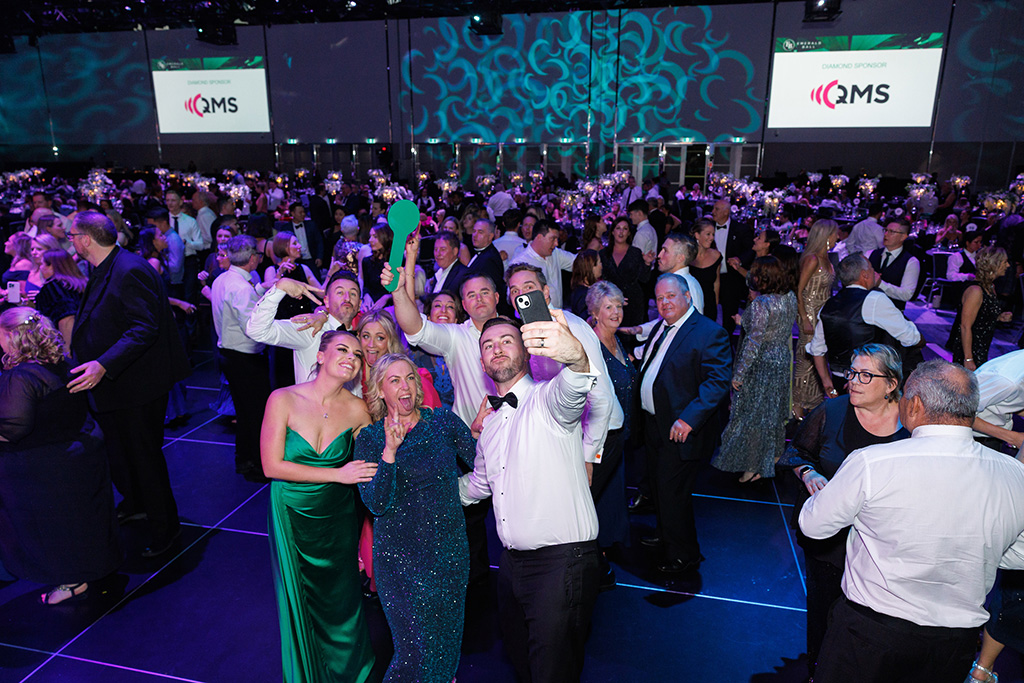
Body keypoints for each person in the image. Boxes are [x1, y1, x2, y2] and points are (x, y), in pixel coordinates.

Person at [799, 360, 1024, 683]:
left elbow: (814, 525)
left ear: (915, 405)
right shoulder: (1014, 474)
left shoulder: (874, 463)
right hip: (954, 645)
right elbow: (1019, 555)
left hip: (871, 633)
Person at [459, 313, 601, 682]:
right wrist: (426, 490)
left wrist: (576, 356)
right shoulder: (490, 425)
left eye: (506, 341)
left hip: (561, 563)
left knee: (552, 674)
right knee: (523, 666)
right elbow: (477, 485)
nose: (496, 349)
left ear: (526, 352)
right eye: (488, 345)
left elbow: (574, 387)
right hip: (510, 566)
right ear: (482, 362)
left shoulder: (547, 400)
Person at [779, 344, 908, 676]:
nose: (853, 381)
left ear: (891, 384)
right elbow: (796, 453)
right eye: (852, 372)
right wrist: (808, 473)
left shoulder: (911, 423)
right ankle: (818, 669)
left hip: (882, 540)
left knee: (870, 618)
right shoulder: (832, 411)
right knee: (824, 608)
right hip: (831, 537)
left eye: (865, 375)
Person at [67, 211, 191, 557]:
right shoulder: (107, 266)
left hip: (137, 386)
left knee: (143, 457)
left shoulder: (130, 269)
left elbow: (144, 328)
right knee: (123, 454)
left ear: (86, 239)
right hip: (118, 386)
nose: (70, 241)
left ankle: (165, 528)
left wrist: (103, 364)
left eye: (73, 235)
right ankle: (137, 504)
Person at [261, 330, 378, 683]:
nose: (351, 358)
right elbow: (271, 466)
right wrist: (338, 475)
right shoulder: (282, 399)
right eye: (342, 349)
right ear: (320, 356)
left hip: (337, 516)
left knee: (341, 595)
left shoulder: (358, 409)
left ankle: (351, 671)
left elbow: (375, 463)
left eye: (357, 355)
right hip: (290, 512)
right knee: (299, 596)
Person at [355, 353, 476, 682]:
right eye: (394, 380)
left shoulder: (443, 422)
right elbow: (376, 503)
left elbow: (483, 464)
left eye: (409, 377)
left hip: (449, 554)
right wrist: (390, 453)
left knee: (445, 651)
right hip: (400, 562)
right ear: (380, 391)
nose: (405, 386)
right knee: (414, 655)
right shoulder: (369, 439)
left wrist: (487, 431)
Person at [0, 308, 120, 605]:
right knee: (78, 523)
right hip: (74, 453)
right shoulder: (61, 361)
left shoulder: (22, 376)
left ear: (13, 337)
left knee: (53, 529)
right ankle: (84, 572)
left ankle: (72, 581)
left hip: (43, 467)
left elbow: (12, 429)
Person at [636, 274, 732, 573]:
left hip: (680, 429)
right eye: (659, 298)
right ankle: (665, 535)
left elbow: (717, 382)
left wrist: (689, 418)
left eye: (671, 296)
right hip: (655, 423)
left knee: (672, 491)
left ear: (687, 297)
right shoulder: (663, 327)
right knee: (658, 486)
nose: (664, 303)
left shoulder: (709, 332)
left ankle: (684, 555)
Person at [712, 256, 797, 482]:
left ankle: (752, 466)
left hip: (761, 364)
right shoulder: (789, 297)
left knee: (753, 415)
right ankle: (774, 457)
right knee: (773, 412)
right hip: (781, 359)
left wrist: (739, 374)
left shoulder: (762, 303)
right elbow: (775, 328)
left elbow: (754, 343)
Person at [809, 253, 922, 397]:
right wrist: (921, 340)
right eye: (872, 269)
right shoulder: (874, 299)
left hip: (840, 379)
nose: (875, 273)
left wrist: (827, 383)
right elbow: (910, 338)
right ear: (865, 275)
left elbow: (817, 349)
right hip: (868, 379)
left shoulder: (829, 304)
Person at [212, 235, 271, 482]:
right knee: (255, 414)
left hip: (229, 354)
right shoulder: (241, 287)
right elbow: (253, 328)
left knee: (245, 412)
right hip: (244, 358)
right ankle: (256, 465)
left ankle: (244, 459)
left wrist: (261, 289)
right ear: (252, 259)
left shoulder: (223, 279)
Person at [587, 281, 637, 553]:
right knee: (601, 494)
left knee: (614, 491)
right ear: (595, 312)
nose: (616, 312)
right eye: (608, 307)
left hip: (619, 434)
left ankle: (609, 543)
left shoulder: (617, 339)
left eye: (618, 306)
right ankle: (595, 548)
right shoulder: (592, 345)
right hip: (600, 436)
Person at [246, 270, 362, 385]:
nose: (347, 298)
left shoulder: (364, 336)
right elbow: (257, 331)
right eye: (340, 292)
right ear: (326, 301)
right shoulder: (311, 328)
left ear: (359, 304)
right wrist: (280, 288)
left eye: (353, 294)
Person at [793, 220, 838, 418]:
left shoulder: (826, 258)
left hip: (822, 313)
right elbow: (798, 290)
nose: (838, 237)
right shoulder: (812, 259)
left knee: (817, 359)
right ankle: (797, 406)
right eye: (835, 234)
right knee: (806, 361)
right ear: (826, 236)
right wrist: (804, 318)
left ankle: (813, 403)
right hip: (810, 313)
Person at [946, 246, 1011, 369]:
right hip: (970, 351)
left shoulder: (990, 287)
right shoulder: (975, 291)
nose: (1008, 265)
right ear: (994, 264)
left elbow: (981, 316)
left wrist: (998, 317)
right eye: (1005, 262)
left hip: (981, 348)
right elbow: (965, 326)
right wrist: (968, 358)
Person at [408, 291, 463, 411]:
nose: (443, 310)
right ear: (428, 317)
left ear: (456, 319)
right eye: (437, 305)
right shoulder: (414, 352)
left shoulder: (464, 349)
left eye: (450, 307)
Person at [507, 219, 576, 309]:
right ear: (539, 237)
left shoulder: (555, 253)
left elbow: (578, 263)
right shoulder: (520, 262)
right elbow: (511, 296)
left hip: (558, 312)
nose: (556, 243)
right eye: (553, 239)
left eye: (557, 239)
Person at [600, 216, 651, 328]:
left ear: (629, 233)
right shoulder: (603, 254)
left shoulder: (635, 253)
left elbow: (644, 279)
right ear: (613, 231)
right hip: (611, 301)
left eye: (625, 228)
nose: (621, 232)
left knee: (631, 335)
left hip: (633, 302)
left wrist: (647, 263)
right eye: (618, 228)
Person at [713, 199, 754, 335]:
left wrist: (739, 260)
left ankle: (727, 341)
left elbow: (750, 250)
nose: (713, 212)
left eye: (716, 209)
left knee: (729, 313)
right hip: (710, 277)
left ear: (726, 212)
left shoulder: (741, 229)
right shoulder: (707, 227)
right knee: (708, 311)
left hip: (730, 278)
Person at [971, 349, 1024, 451]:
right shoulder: (1007, 381)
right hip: (975, 439)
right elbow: (959, 413)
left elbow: (1008, 402)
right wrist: (1014, 438)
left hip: (994, 436)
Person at [34, 249, 87, 350]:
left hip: (69, 345)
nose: (40, 268)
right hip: (88, 340)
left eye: (42, 264)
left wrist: (67, 349)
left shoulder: (54, 287)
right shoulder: (81, 284)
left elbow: (66, 318)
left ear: (52, 266)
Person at [868, 218, 921, 310]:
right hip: (867, 308)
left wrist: (881, 284)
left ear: (903, 237)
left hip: (892, 312)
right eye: (885, 230)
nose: (886, 234)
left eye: (891, 232)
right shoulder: (870, 254)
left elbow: (907, 294)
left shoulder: (911, 262)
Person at [689, 218, 722, 323]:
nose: (711, 238)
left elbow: (716, 282)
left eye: (713, 234)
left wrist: (715, 304)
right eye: (708, 234)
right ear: (697, 235)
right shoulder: (687, 256)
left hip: (709, 306)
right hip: (690, 305)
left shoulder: (716, 256)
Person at [569, 249, 602, 320]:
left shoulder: (586, 289)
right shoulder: (583, 295)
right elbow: (587, 320)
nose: (601, 266)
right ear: (591, 268)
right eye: (599, 262)